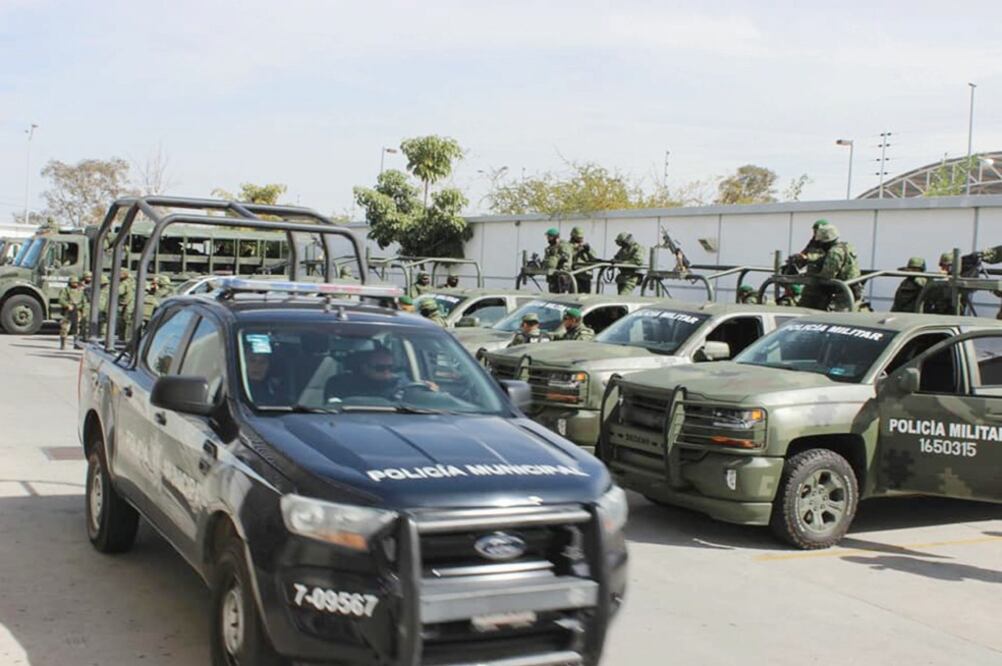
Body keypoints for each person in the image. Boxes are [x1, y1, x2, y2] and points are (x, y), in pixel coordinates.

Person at [799, 224, 860, 312]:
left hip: (843, 291)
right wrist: (808, 258)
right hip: (852, 287)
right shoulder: (846, 246)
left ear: (826, 242)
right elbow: (825, 258)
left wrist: (809, 275)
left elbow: (827, 275)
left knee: (834, 317)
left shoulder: (834, 252)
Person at [543, 228, 573, 293]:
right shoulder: (550, 248)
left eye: (549, 237)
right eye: (547, 237)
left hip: (562, 275)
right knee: (552, 295)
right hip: (553, 276)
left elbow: (565, 257)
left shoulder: (563, 245)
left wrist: (555, 256)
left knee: (561, 296)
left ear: (555, 237)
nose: (548, 239)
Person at [57, 276, 84, 349]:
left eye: (76, 282)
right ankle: (63, 344)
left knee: (77, 328)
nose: (75, 284)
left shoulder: (81, 291)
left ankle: (77, 344)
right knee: (64, 328)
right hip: (68, 311)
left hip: (77, 311)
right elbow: (61, 300)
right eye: (73, 282)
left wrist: (81, 307)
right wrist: (67, 305)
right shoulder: (65, 290)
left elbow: (83, 300)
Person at [569, 227, 598, 293]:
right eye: (578, 237)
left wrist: (588, 250)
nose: (580, 239)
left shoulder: (584, 246)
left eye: (581, 238)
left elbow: (594, 257)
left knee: (586, 295)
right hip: (574, 275)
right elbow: (568, 257)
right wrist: (577, 250)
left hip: (585, 275)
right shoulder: (568, 246)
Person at [79, 271, 93, 339]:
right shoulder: (81, 283)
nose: (88, 278)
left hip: (89, 304)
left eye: (90, 277)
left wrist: (84, 287)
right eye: (87, 277)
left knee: (87, 321)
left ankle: (86, 337)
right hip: (82, 304)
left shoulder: (92, 284)